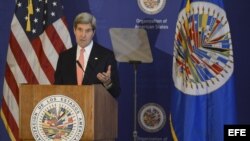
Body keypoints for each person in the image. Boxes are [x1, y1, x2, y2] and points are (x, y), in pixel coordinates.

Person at [54, 12, 120, 98]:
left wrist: (107, 83)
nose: (83, 35)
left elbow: (116, 92)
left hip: (94, 108)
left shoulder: (106, 56)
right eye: (80, 29)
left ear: (93, 32)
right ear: (74, 30)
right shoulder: (64, 57)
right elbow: (56, 88)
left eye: (88, 30)